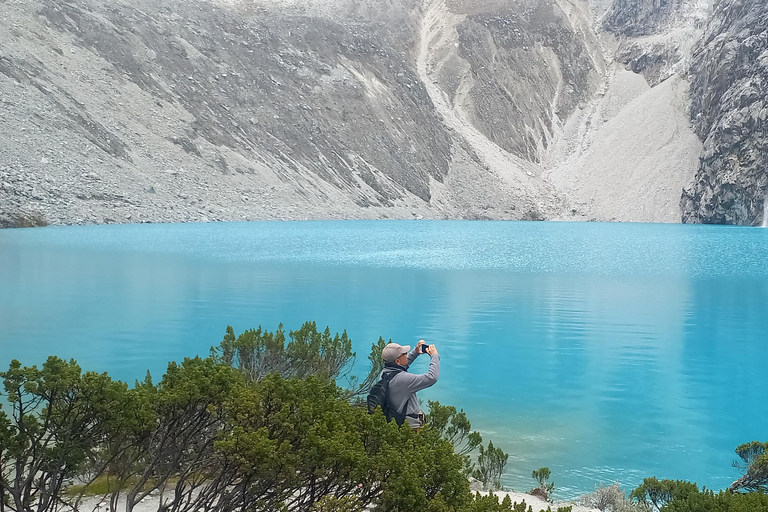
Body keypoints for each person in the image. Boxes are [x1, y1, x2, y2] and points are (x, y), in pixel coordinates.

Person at [380, 339, 439, 429]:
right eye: (404, 354)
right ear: (397, 361)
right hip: (411, 427)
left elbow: (401, 366)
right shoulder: (403, 379)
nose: (406, 355)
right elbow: (432, 378)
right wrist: (434, 356)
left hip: (396, 421)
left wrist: (415, 352)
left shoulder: (384, 373)